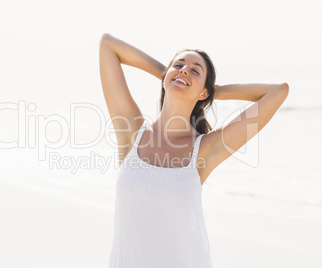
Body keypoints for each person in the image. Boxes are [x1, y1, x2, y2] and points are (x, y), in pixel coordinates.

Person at [99, 33, 289, 268]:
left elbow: (278, 91)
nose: (185, 70)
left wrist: (213, 91)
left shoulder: (205, 149)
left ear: (204, 94)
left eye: (195, 70)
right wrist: (169, 73)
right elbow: (108, 45)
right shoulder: (132, 133)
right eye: (179, 65)